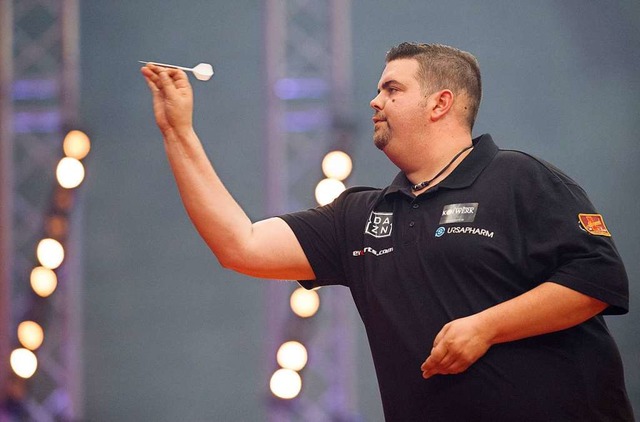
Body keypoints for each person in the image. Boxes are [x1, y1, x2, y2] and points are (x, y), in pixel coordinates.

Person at [141, 42, 634, 421]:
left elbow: (597, 281)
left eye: (392, 89)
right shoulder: (359, 215)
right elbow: (239, 245)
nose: (375, 101)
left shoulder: (518, 178)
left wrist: (486, 327)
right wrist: (178, 132)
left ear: (441, 103)